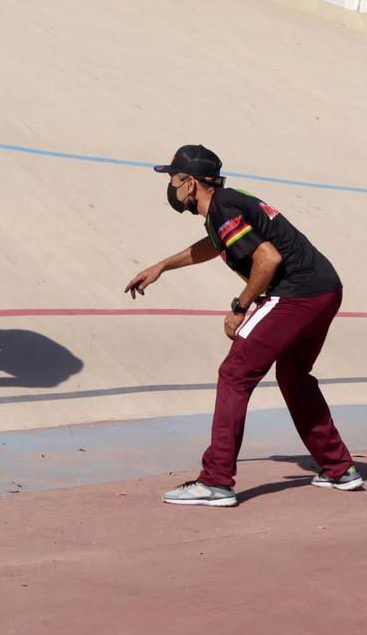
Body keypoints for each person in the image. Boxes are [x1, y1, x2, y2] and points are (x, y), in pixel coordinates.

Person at [124, 144, 360, 507]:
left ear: (190, 183)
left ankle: (216, 481)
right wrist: (162, 266)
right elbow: (214, 243)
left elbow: (268, 258)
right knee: (294, 375)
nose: (170, 186)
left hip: (296, 294)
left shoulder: (222, 208)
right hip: (324, 290)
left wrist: (240, 306)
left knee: (234, 373)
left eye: (172, 178)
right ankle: (339, 469)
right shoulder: (226, 204)